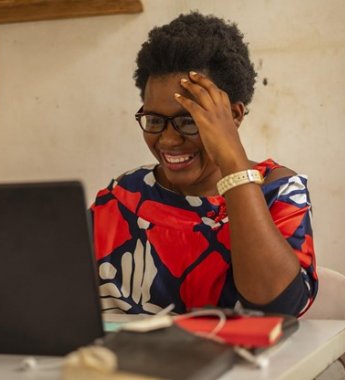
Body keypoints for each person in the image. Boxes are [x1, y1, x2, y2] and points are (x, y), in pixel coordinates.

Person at [91, 12, 317, 316]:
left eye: (188, 121)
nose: (168, 140)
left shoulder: (277, 191)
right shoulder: (123, 197)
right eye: (155, 120)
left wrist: (232, 160)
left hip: (242, 364)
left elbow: (278, 307)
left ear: (233, 116)